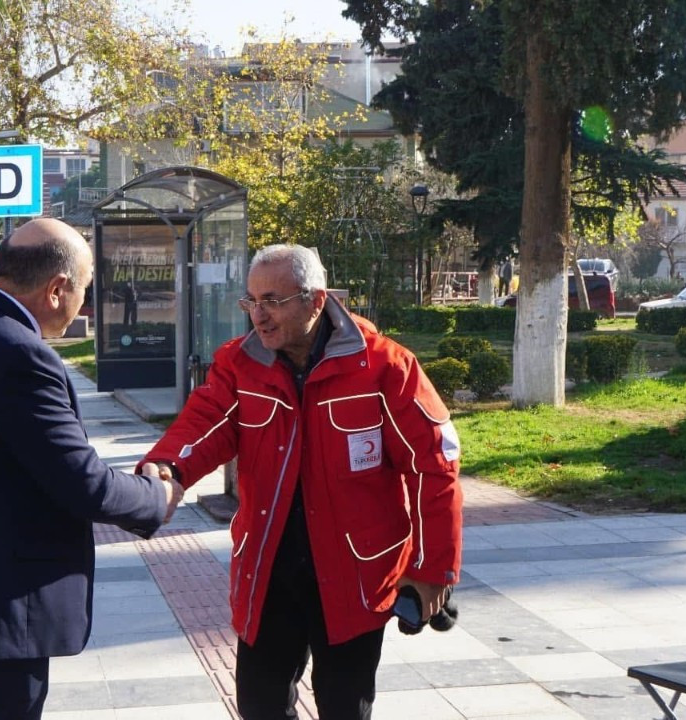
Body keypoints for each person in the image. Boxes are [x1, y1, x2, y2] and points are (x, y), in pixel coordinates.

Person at [139, 244, 462, 720]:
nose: (258, 316)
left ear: (315, 300)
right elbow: (204, 424)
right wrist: (167, 468)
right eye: (250, 302)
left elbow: (433, 467)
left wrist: (433, 571)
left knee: (344, 708)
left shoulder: (383, 367)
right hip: (269, 571)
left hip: (354, 575)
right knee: (260, 706)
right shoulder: (239, 364)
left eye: (272, 301)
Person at [0, 218, 183, 720]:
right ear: (57, 288)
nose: (83, 305)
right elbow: (81, 482)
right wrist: (156, 496)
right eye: (82, 290)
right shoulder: (17, 351)